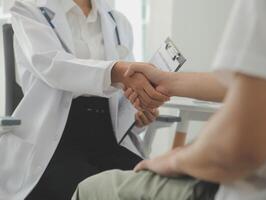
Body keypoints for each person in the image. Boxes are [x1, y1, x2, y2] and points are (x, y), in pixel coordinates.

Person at [72, 0, 266, 199]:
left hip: (260, 188)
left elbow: (242, 145)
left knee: (90, 189)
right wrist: (168, 81)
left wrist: (174, 160)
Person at [0, 0, 169, 199]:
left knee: (150, 187)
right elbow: (53, 66)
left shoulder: (118, 22)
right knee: (98, 190)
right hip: (55, 142)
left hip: (108, 139)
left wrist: (138, 111)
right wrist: (116, 71)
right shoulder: (28, 10)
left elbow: (122, 94)